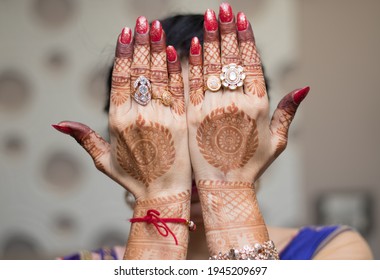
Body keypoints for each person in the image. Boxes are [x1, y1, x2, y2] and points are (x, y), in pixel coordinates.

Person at [53, 3, 373, 260]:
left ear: (261, 130)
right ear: (122, 141)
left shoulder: (335, 252)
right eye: (164, 126)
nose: (191, 152)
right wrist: (162, 200)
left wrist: (228, 195)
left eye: (215, 123)